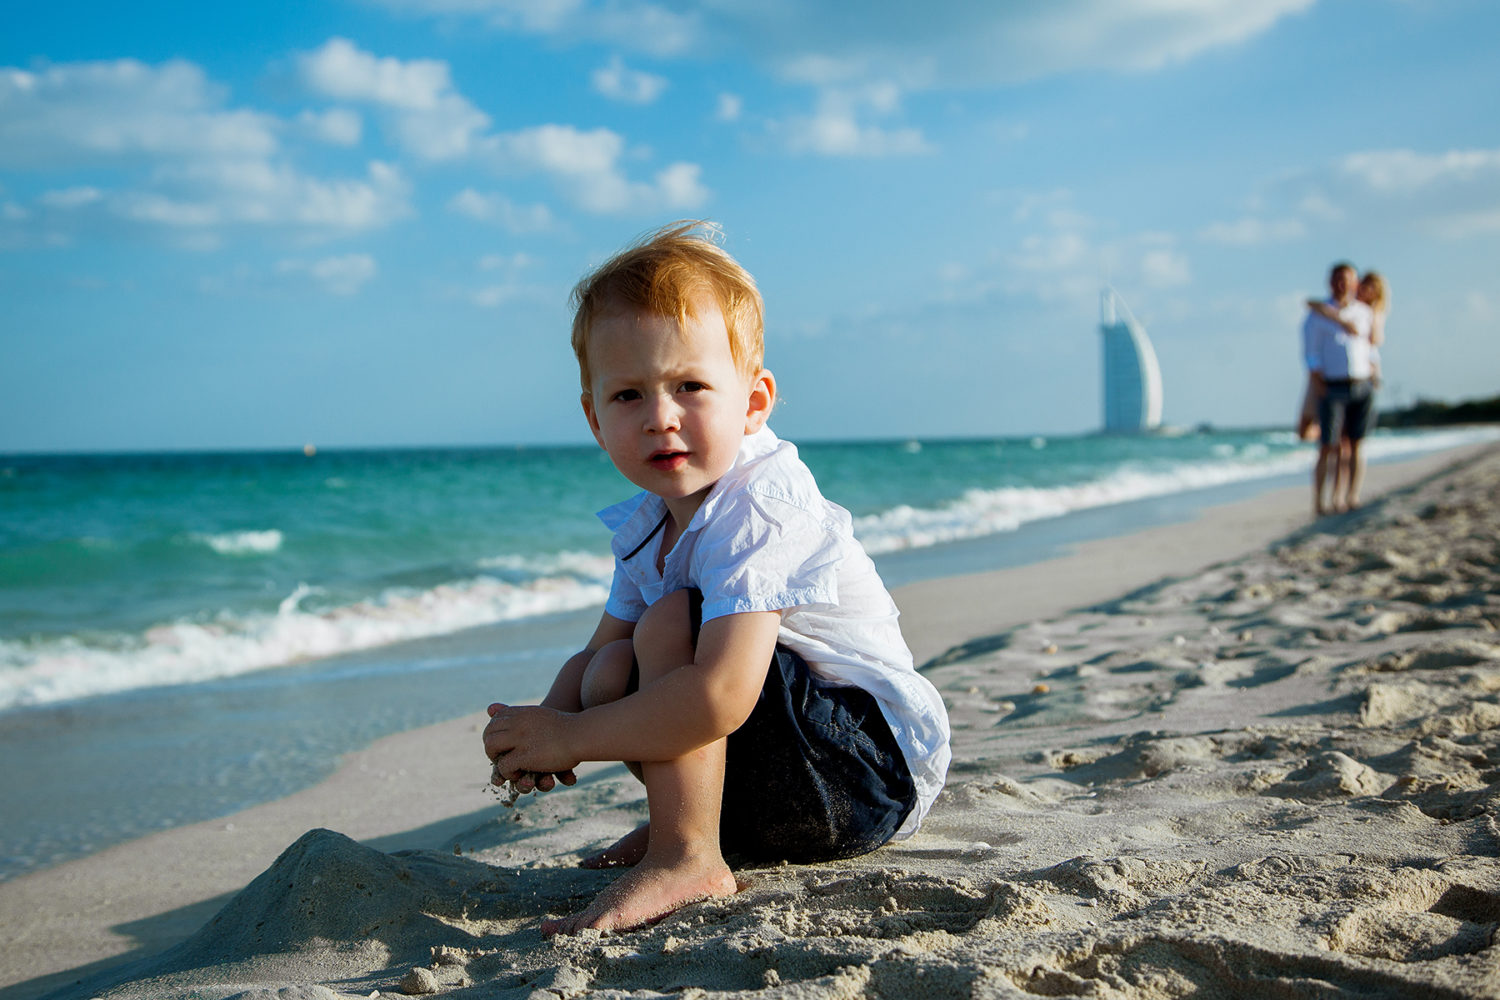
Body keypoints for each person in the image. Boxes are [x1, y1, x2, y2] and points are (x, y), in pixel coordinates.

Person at [482, 221, 951, 936]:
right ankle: (705, 829)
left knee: (670, 622)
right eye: (628, 396)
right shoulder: (648, 521)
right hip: (793, 779)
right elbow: (595, 657)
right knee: (610, 666)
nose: (659, 419)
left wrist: (574, 739)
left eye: (690, 386)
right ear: (594, 419)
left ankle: (687, 853)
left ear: (753, 402)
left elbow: (723, 695)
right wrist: (540, 728)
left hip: (865, 775)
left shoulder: (761, 504)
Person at [1302, 262, 1375, 516]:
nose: (1342, 284)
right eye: (1337, 279)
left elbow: (1370, 345)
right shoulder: (1318, 315)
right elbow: (1311, 353)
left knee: (1356, 443)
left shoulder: (1364, 312)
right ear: (1330, 282)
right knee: (1328, 446)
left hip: (1362, 383)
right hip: (1332, 386)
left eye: (1347, 279)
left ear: (1356, 283)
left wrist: (1374, 371)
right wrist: (1318, 380)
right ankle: (1320, 502)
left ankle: (1350, 496)